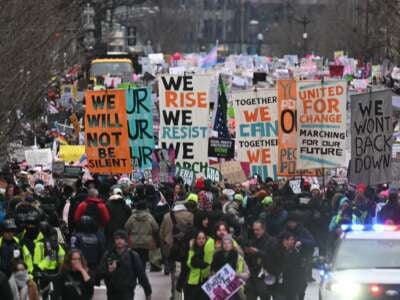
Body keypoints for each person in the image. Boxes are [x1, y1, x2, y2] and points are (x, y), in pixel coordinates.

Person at [98, 230, 152, 300]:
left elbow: (141, 274)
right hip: (112, 292)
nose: (119, 241)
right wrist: (109, 271)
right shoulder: (108, 255)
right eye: (117, 239)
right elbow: (99, 273)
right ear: (114, 241)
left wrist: (147, 292)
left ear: (125, 241)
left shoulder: (132, 256)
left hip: (127, 292)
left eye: (122, 238)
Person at [160, 199, 193, 299]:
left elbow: (161, 234)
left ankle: (175, 294)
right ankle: (186, 294)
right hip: (187, 248)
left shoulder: (167, 217)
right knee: (186, 272)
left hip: (172, 249)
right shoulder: (191, 216)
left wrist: (164, 248)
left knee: (174, 273)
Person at [244, 221, 277, 300]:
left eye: (257, 230)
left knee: (264, 296)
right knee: (249, 296)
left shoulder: (271, 241)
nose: (255, 232)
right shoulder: (252, 240)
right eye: (254, 230)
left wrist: (258, 252)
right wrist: (247, 252)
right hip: (252, 274)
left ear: (263, 229)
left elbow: (272, 257)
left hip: (264, 274)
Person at [211, 235, 249, 300]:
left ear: (232, 244)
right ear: (222, 245)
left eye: (229, 243)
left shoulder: (237, 255)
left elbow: (247, 273)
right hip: (220, 285)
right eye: (224, 243)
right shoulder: (216, 255)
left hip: (233, 285)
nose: (227, 245)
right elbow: (212, 270)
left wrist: (238, 274)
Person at [125, 200, 159, 267]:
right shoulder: (149, 217)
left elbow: (126, 227)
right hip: (146, 241)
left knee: (135, 258)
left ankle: (136, 271)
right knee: (143, 259)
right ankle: (142, 271)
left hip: (134, 241)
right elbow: (156, 228)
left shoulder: (132, 217)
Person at [274, 231, 307, 300]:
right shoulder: (277, 252)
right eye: (291, 239)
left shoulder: (295, 252)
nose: (293, 241)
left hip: (292, 287)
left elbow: (300, 271)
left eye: (293, 239)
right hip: (280, 286)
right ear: (285, 240)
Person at [185, 230, 210, 300]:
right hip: (193, 282)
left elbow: (207, 264)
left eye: (203, 238)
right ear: (195, 240)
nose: (201, 240)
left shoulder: (207, 250)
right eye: (199, 238)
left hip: (205, 281)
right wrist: (191, 248)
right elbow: (189, 263)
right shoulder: (192, 249)